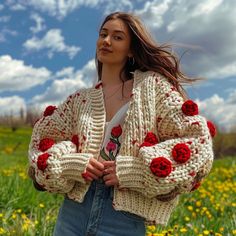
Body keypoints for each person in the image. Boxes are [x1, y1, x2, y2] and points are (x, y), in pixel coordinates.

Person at [27, 11, 216, 236]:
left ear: (132, 49)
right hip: (74, 211)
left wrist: (137, 171)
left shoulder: (154, 88)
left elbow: (198, 143)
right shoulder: (79, 100)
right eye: (103, 34)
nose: (106, 41)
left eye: (117, 37)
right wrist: (72, 164)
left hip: (124, 217)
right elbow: (42, 141)